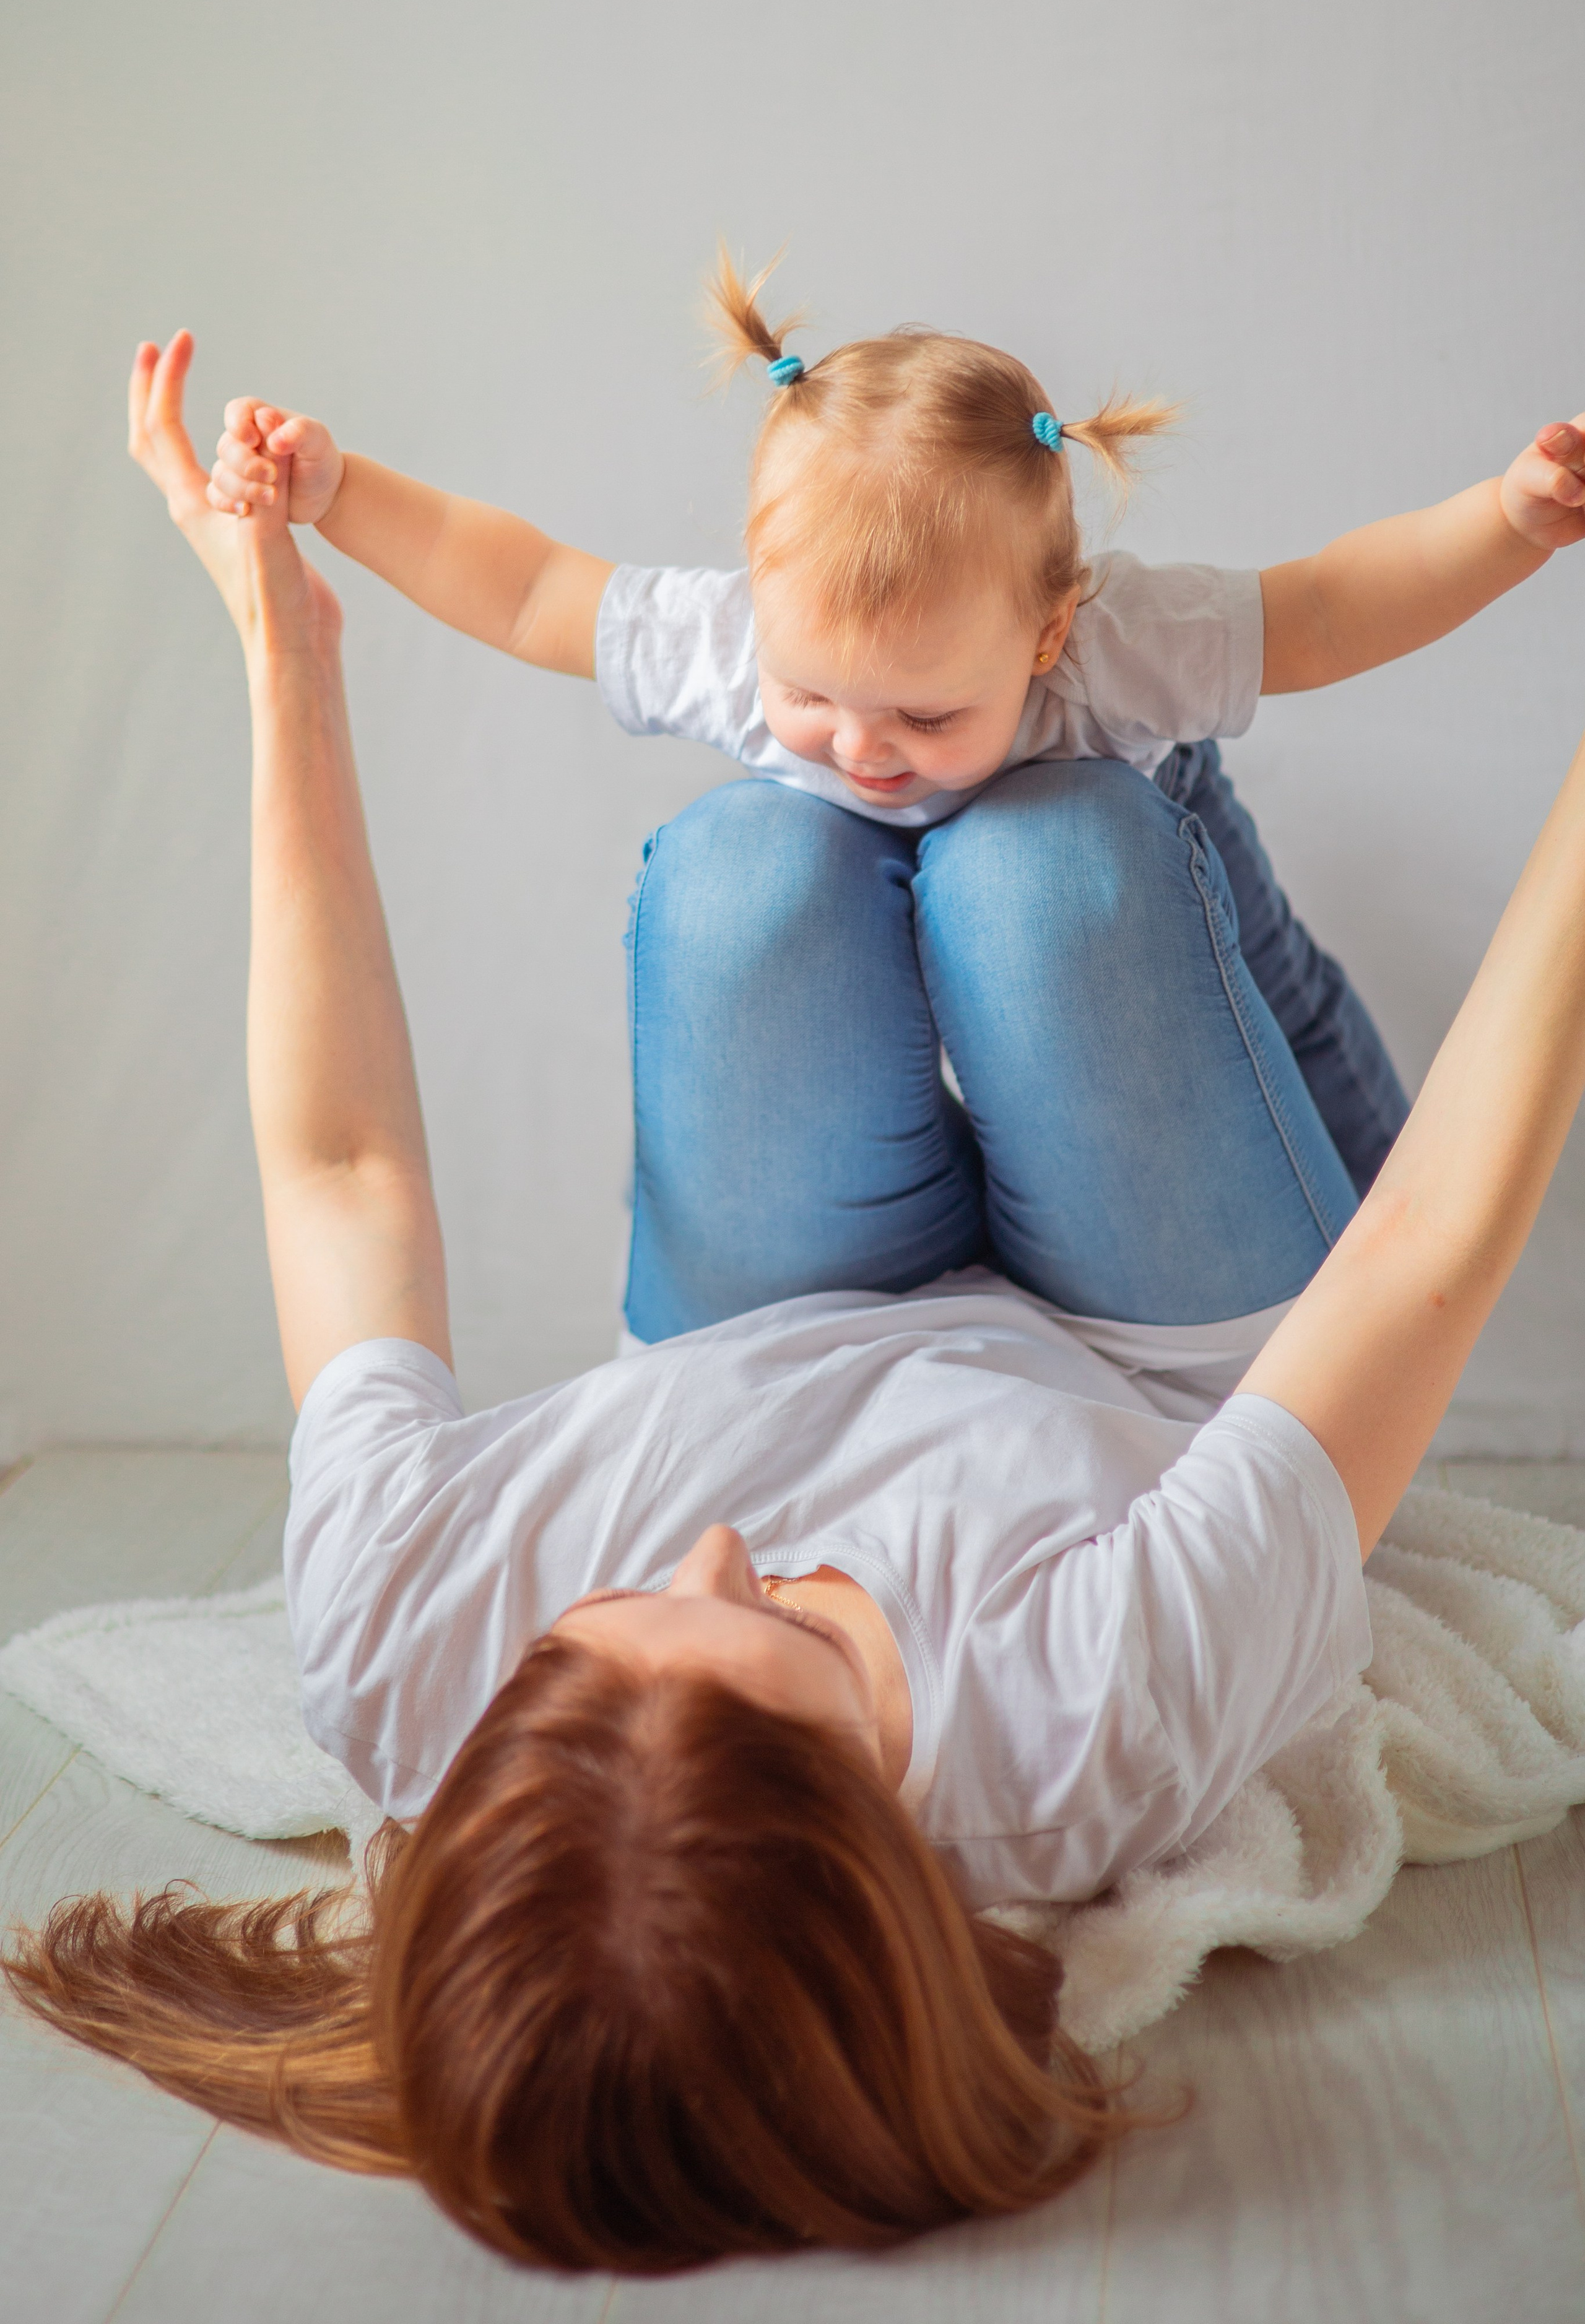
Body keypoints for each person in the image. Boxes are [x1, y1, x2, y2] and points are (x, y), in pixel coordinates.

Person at [9, 331, 1585, 2278]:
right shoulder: (1090, 1718)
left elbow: (338, 1168)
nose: (733, 1546)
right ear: (906, 1866)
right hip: (1156, 1341)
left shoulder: (402, 1646)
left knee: (753, 864)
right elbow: (1425, 1248)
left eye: (611, 1620)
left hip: (767, 1303)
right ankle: (1178, 845)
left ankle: (1029, 800)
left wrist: (286, 645)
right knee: (1049, 862)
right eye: (795, 1653)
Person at [200, 249, 1585, 1206]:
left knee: (1314, 1070)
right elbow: (523, 584)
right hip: (944, 1000)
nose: (857, 748)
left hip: (1187, 939)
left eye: (924, 711)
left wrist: (1506, 522)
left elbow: (1331, 608)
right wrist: (341, 490)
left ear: (1046, 635)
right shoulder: (738, 646)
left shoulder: (1110, 650)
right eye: (811, 697)